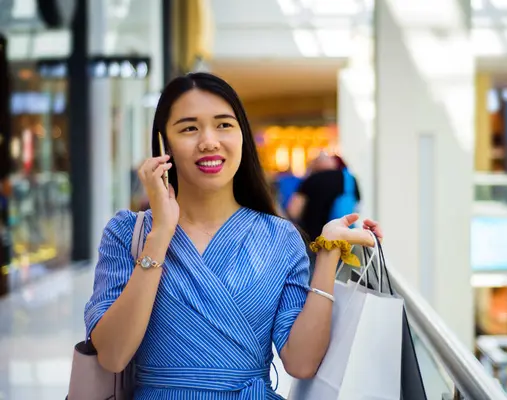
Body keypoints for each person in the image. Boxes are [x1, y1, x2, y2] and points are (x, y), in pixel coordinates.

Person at [84, 72, 383, 399]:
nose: (209, 141)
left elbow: (300, 362)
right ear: (162, 145)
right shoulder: (128, 232)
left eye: (224, 125)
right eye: (189, 128)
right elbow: (113, 355)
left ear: (242, 136)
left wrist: (327, 256)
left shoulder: (279, 238)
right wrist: (161, 235)